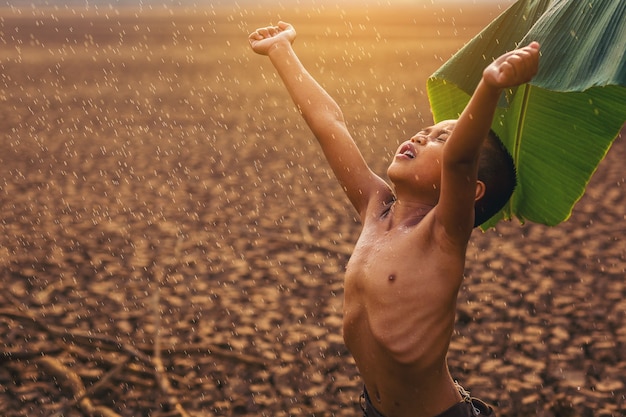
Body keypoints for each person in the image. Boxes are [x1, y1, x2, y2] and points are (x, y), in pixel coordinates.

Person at [249, 21, 539, 417]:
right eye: (427, 129)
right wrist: (281, 50)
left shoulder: (443, 235)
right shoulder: (374, 207)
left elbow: (460, 160)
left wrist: (490, 85)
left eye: (442, 137)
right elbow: (328, 125)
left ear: (470, 191)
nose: (422, 136)